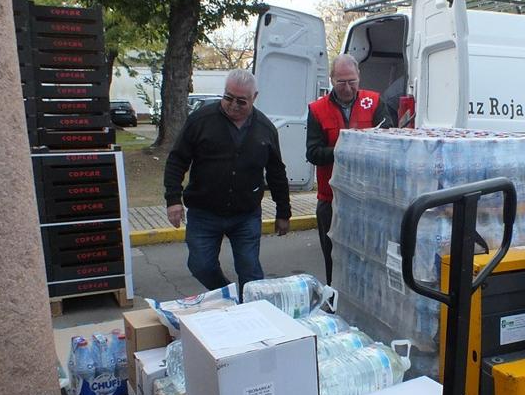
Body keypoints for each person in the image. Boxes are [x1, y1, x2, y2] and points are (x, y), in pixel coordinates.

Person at [164, 68, 291, 295]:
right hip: (204, 212)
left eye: (241, 101)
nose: (233, 105)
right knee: (200, 265)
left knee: (250, 271)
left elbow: (276, 173)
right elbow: (177, 160)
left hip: (245, 214)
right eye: (228, 98)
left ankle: (255, 313)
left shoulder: (265, 129)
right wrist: (173, 199)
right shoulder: (200, 121)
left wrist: (283, 212)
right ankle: (228, 296)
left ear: (255, 98)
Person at [306, 55, 387, 283]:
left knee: (370, 260)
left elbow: (390, 143)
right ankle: (335, 304)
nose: (347, 87)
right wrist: (344, 148)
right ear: (331, 79)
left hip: (370, 199)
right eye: (341, 82)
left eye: (352, 81)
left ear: (359, 77)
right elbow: (312, 153)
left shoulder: (374, 102)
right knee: (334, 259)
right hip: (331, 200)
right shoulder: (317, 109)